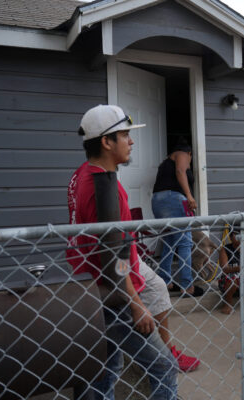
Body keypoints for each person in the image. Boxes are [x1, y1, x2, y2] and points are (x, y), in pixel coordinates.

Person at [66, 105, 195, 399]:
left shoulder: (82, 175)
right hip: (111, 292)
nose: (131, 141)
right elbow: (116, 256)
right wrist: (135, 303)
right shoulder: (103, 188)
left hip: (93, 284)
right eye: (125, 135)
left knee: (106, 368)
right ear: (106, 142)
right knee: (163, 366)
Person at [151, 139, 204, 297]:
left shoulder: (165, 163)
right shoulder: (182, 153)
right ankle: (187, 285)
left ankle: (165, 281)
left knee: (169, 240)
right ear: (189, 153)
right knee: (185, 241)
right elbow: (180, 171)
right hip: (174, 200)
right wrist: (189, 196)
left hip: (157, 201)